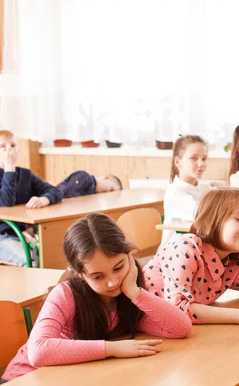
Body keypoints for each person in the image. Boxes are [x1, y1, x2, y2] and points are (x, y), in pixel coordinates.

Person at [1, 213, 192, 383]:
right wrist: (112, 349)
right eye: (97, 276)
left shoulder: (129, 293)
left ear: (129, 255)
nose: (112, 282)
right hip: (27, 377)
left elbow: (181, 328)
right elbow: (39, 352)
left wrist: (135, 292)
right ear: (79, 274)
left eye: (118, 267)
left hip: (72, 376)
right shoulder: (66, 295)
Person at [142, 188, 239, 326]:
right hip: (128, 325)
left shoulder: (229, 267)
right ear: (212, 220)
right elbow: (178, 309)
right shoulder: (186, 247)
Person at [0, 130, 63, 267]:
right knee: (28, 259)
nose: (9, 150)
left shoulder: (24, 174)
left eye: (12, 146)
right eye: (3, 147)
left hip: (26, 234)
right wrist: (9, 168)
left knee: (54, 251)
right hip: (3, 236)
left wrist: (44, 199)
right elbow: (5, 202)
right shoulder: (11, 171)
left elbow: (55, 191)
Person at [160, 134, 221, 248]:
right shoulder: (174, 193)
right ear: (178, 162)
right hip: (174, 256)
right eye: (194, 158)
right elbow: (203, 213)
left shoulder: (205, 188)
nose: (201, 164)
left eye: (204, 159)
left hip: (197, 251)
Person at [58, 171, 123, 198]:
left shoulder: (93, 194)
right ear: (106, 177)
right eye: (111, 189)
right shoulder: (84, 177)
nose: (108, 193)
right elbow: (68, 192)